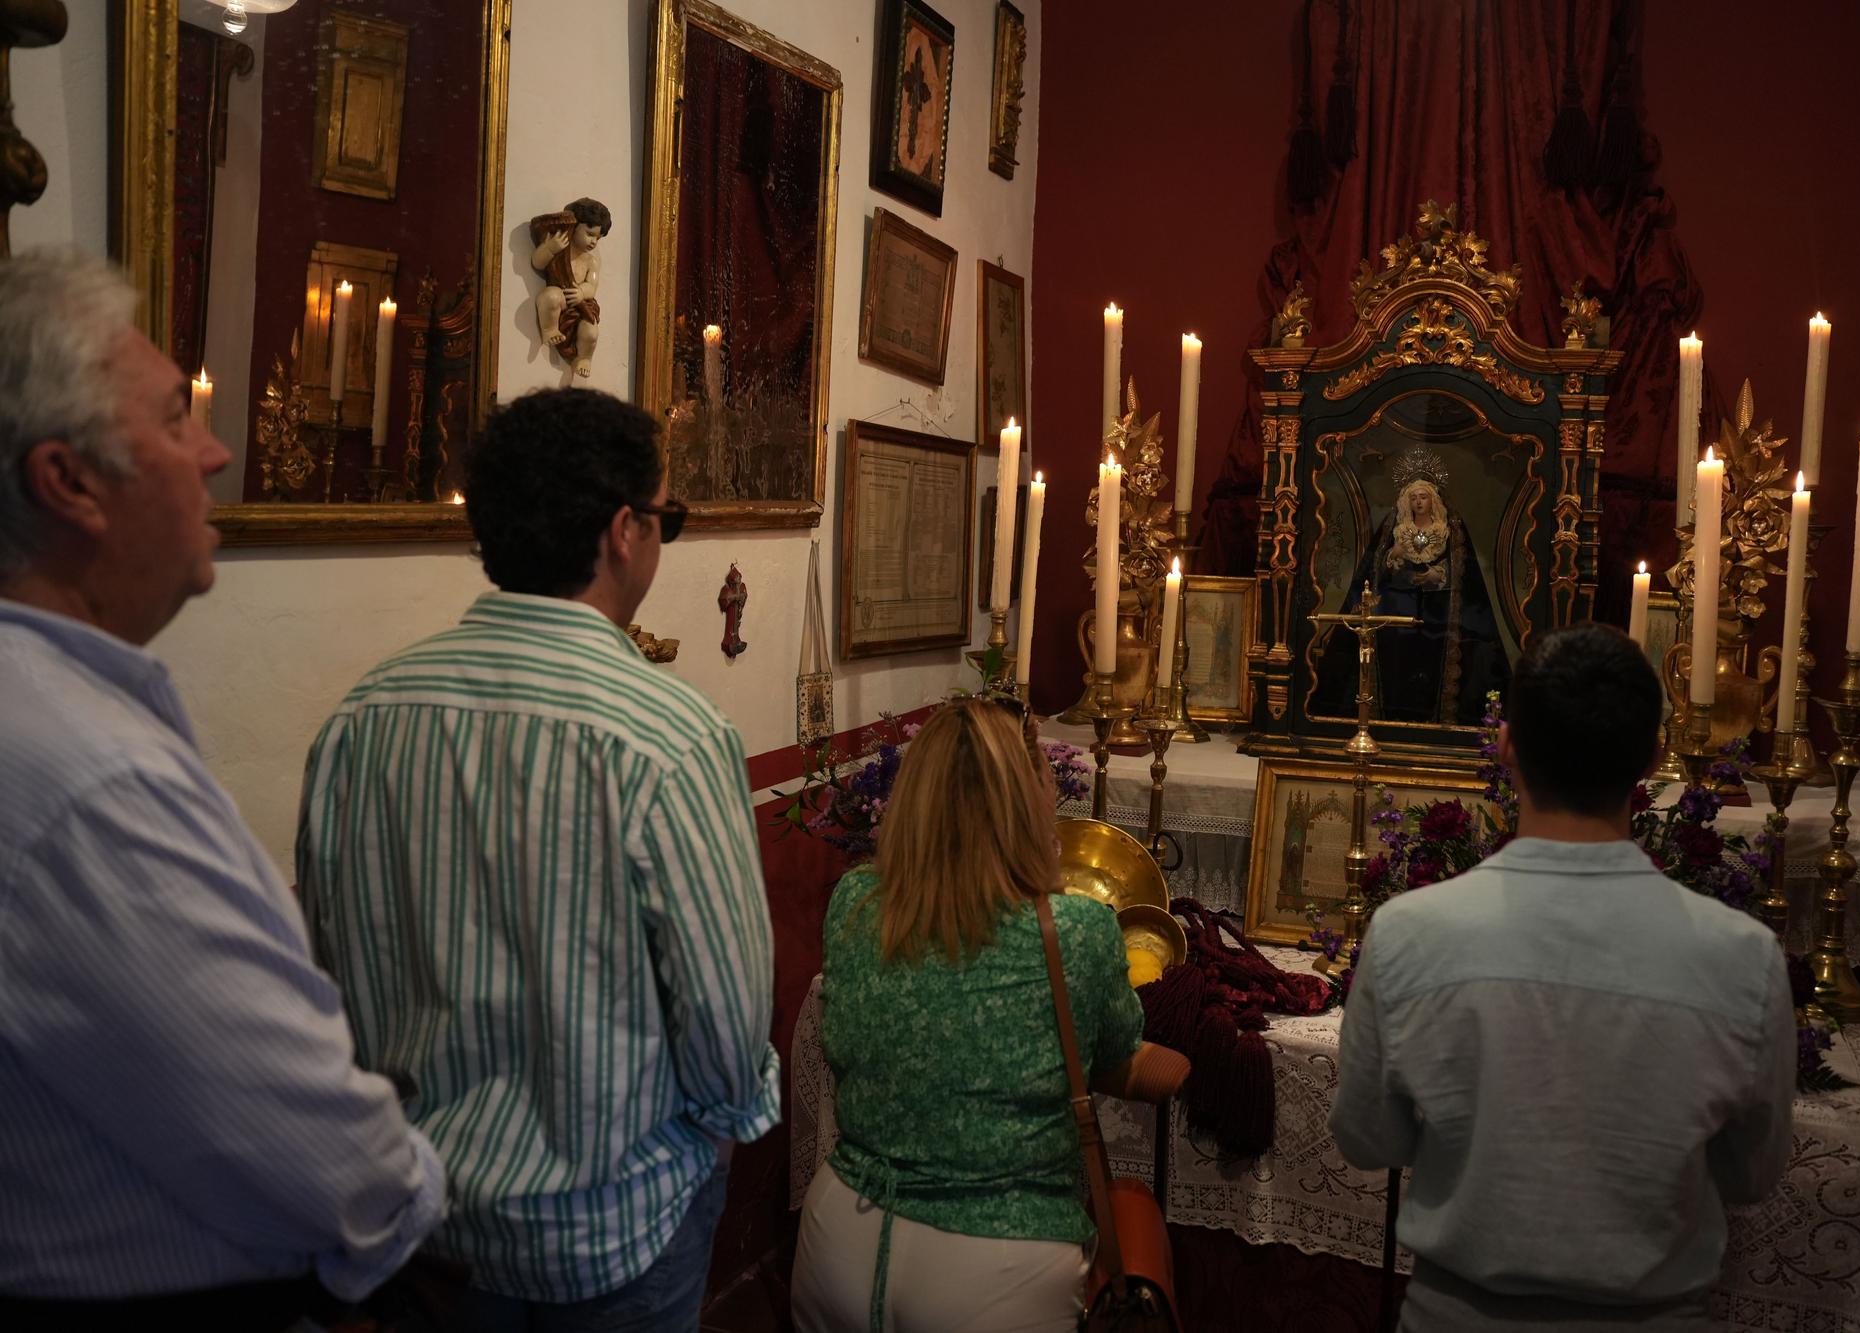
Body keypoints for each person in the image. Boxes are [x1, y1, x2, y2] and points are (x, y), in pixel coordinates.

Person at [0, 252, 444, 1327]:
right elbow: (312, 1146)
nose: (216, 451)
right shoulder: (84, 782)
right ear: (69, 482)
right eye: (172, 419)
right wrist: (411, 1214)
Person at [297, 385, 779, 1331]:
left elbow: (330, 970)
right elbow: (726, 1011)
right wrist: (725, 1127)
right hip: (616, 1225)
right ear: (622, 531)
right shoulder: (668, 734)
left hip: (429, 1221)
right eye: (666, 519)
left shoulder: (364, 717)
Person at [1330, 622, 1795, 1331]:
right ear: (1654, 755)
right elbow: (1750, 1174)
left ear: (1507, 745)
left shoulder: (1407, 933)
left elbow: (1369, 1140)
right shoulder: (1743, 956)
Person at [792, 698, 1185, 1333]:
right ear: (1028, 801)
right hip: (996, 1263)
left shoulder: (856, 903)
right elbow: (1115, 1055)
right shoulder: (1074, 931)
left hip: (843, 1237)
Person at [1312, 448, 1510, 725]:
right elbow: (1375, 570)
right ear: (1407, 501)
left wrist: (1438, 576)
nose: (1419, 502)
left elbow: (1466, 569)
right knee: (1396, 667)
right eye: (1414, 498)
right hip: (1398, 613)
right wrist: (1395, 561)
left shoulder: (1450, 528)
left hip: (1441, 614)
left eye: (1424, 497)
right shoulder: (1394, 528)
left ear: (1433, 500)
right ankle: (1389, 719)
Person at [531, 196, 610, 377]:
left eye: (597, 238)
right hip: (560, 300)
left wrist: (582, 292)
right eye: (589, 234)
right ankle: (549, 329)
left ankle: (584, 357)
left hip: (580, 306)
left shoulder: (592, 261)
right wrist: (550, 248)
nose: (593, 242)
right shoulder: (560, 250)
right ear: (574, 227)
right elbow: (537, 262)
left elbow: (592, 285)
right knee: (550, 296)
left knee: (591, 331)